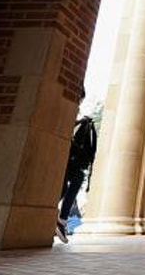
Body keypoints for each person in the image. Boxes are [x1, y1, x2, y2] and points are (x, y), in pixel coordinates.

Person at [55, 87, 97, 244]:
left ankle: (61, 218)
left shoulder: (75, 112)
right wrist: (79, 122)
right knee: (69, 183)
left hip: (67, 158)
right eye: (79, 100)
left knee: (73, 181)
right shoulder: (67, 109)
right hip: (61, 157)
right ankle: (60, 217)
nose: (79, 104)